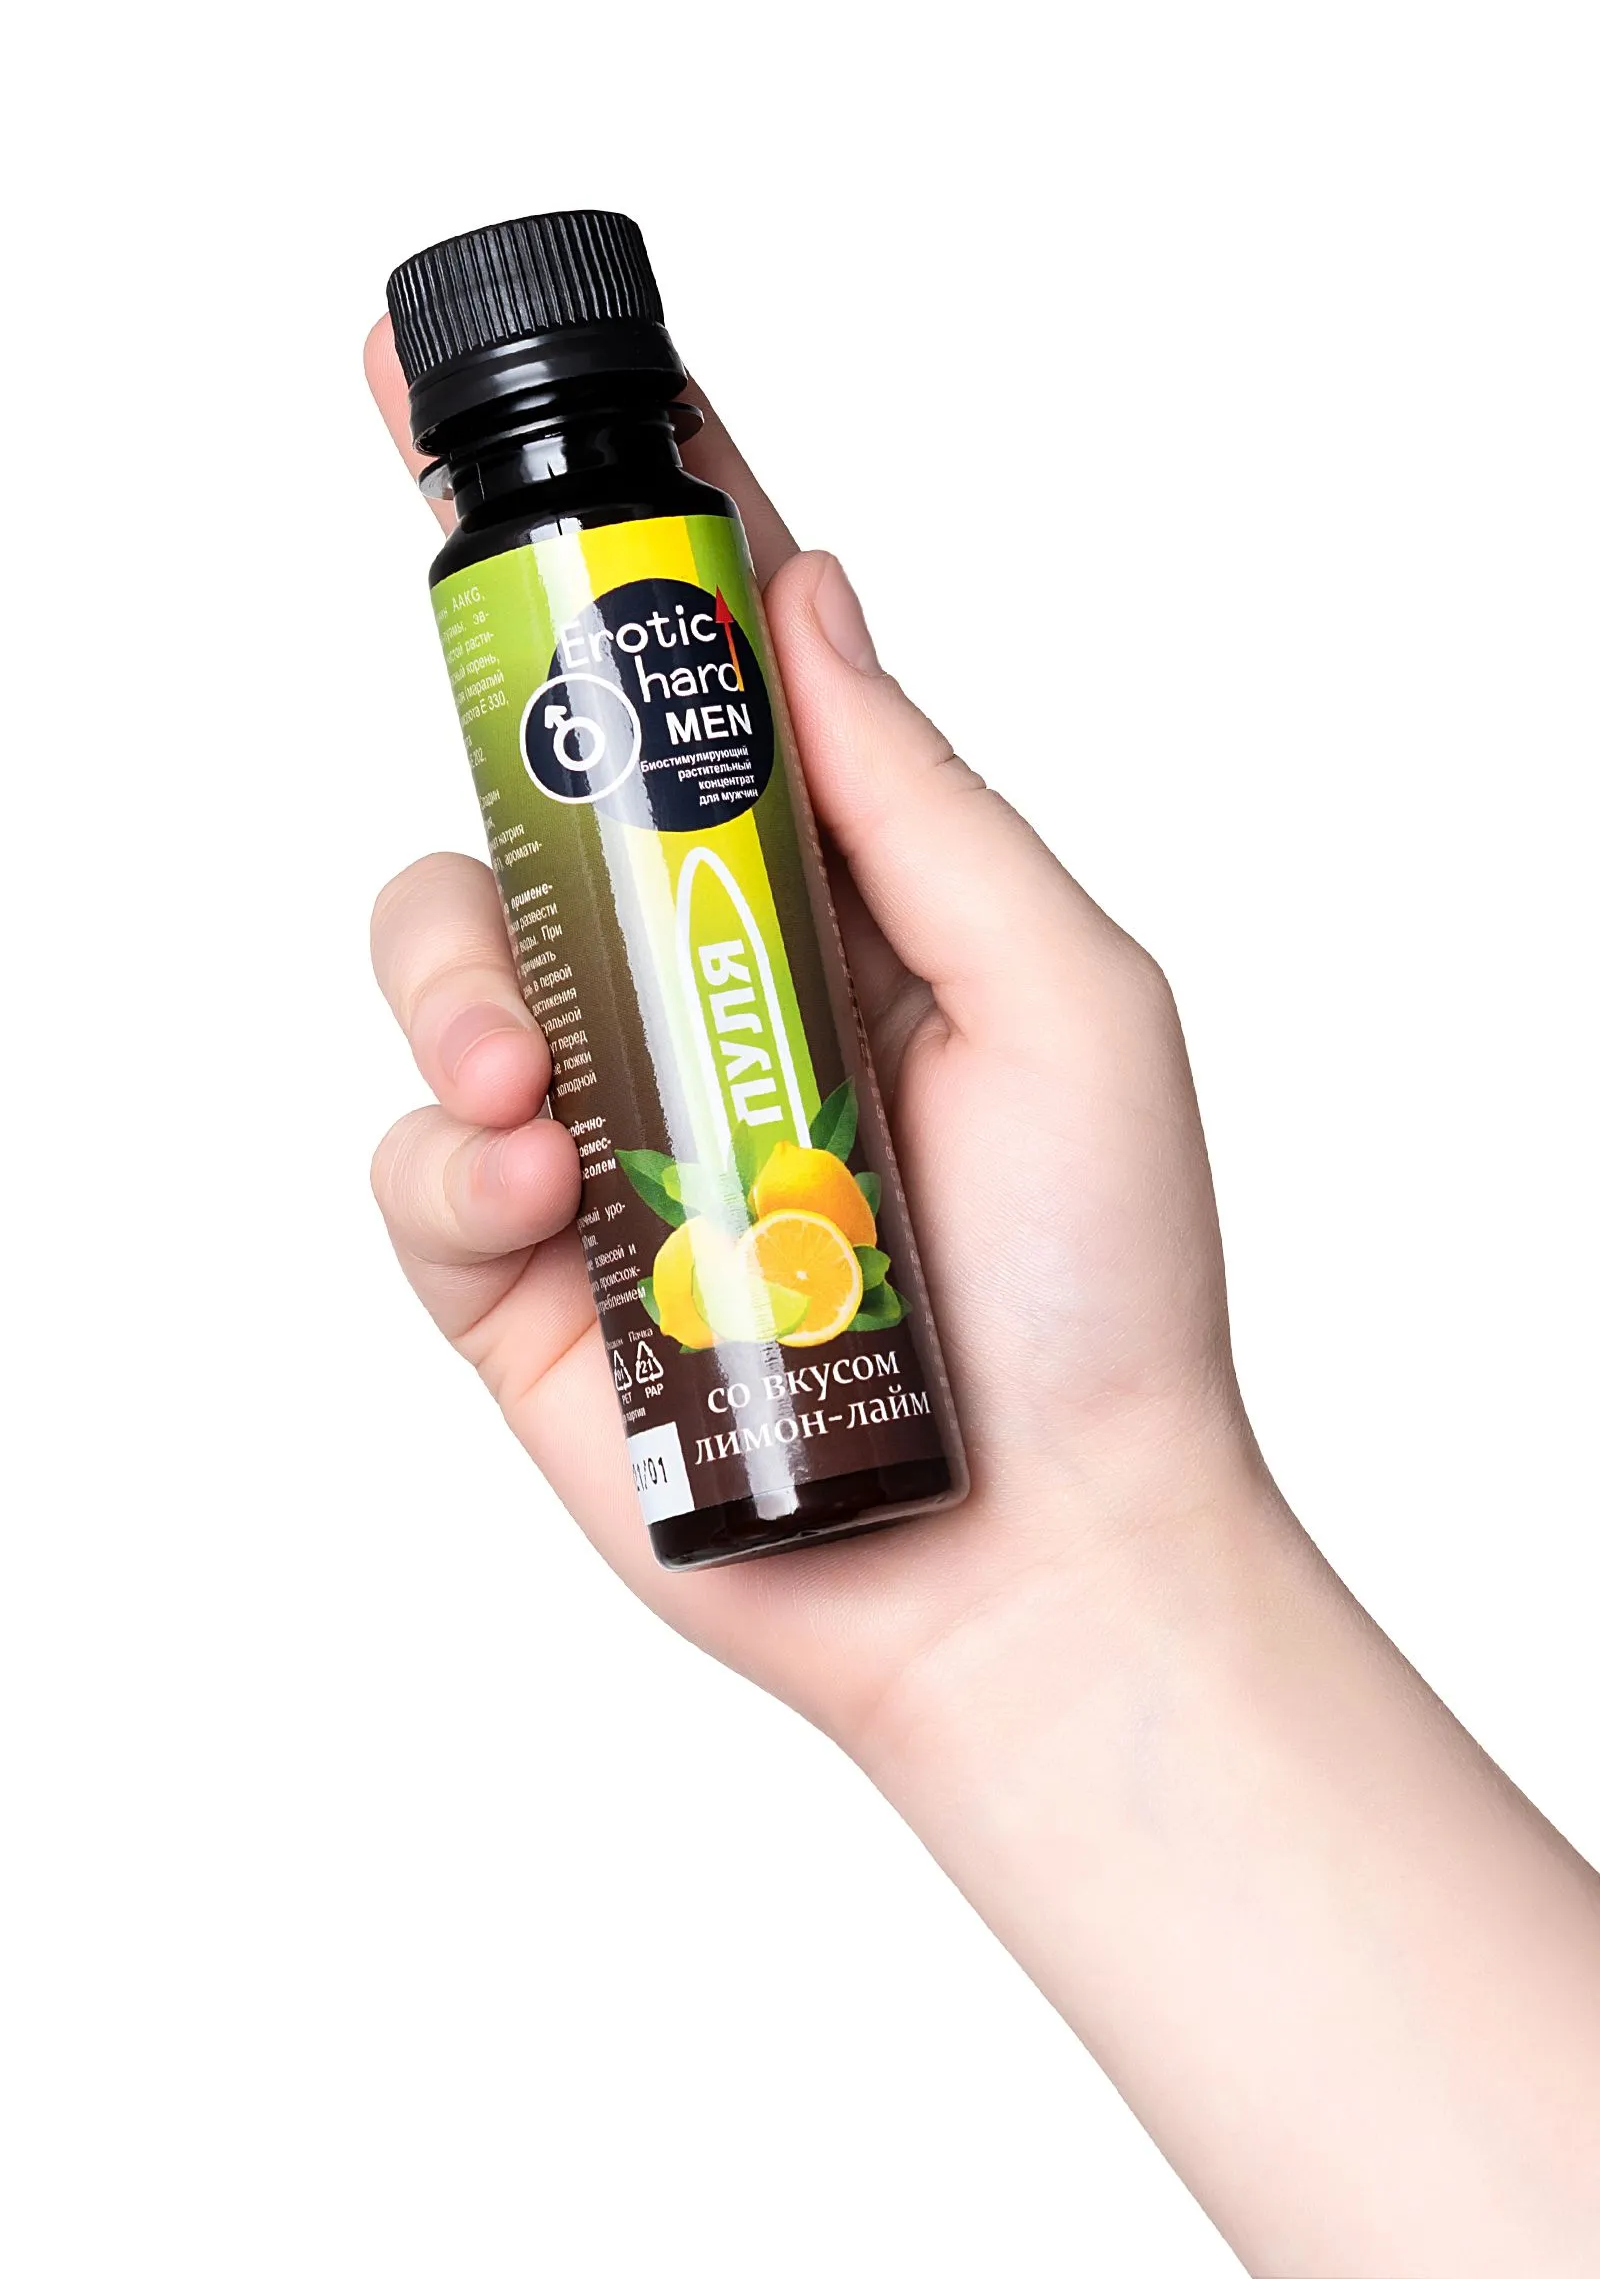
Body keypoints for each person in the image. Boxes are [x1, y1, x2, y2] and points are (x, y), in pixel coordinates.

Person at [362, 321, 1600, 2278]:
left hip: (915, 1387)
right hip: (753, 1394)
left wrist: (1101, 1549)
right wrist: (1055, 1619)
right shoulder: (516, 580)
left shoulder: (661, 546)